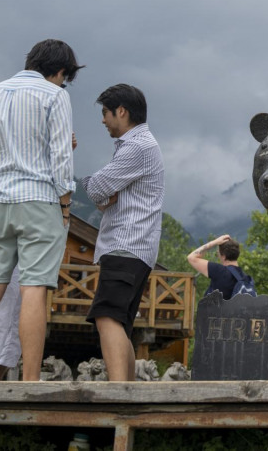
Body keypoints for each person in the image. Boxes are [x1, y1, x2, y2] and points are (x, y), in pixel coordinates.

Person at [0, 39, 83, 381]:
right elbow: (61, 156)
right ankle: (29, 381)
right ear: (60, 71)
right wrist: (65, 204)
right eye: (64, 77)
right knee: (34, 289)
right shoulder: (55, 95)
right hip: (39, 200)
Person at [81, 84, 165, 381]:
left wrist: (95, 187)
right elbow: (106, 191)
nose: (103, 120)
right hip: (137, 248)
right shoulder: (143, 145)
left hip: (125, 245)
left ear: (121, 111)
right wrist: (105, 193)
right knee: (120, 323)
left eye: (105, 112)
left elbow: (97, 187)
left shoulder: (136, 147)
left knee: (107, 317)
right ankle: (127, 390)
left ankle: (119, 394)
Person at [187, 234, 252, 298]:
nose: (218, 256)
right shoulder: (246, 278)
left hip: (218, 308)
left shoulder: (218, 271)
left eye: (218, 254)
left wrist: (215, 242)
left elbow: (191, 257)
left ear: (223, 256)